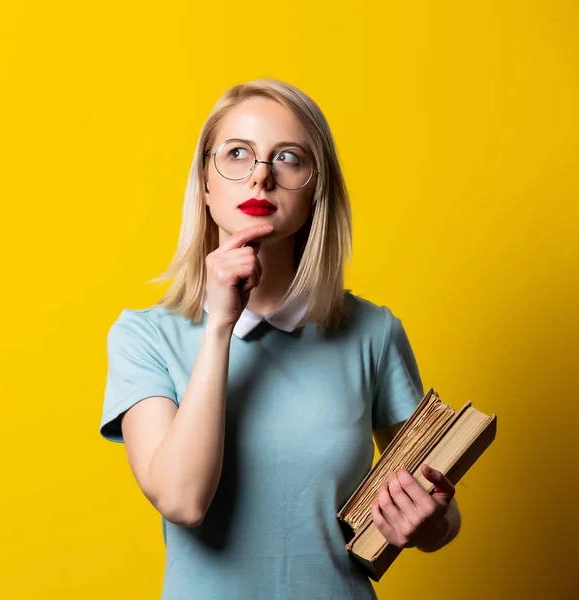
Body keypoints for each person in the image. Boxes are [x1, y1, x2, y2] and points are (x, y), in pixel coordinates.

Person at [99, 78, 461, 599]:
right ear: (205, 181)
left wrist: (429, 524)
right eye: (238, 153)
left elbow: (441, 515)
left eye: (288, 157)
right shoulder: (144, 336)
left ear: (316, 189)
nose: (260, 177)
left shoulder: (373, 333)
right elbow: (182, 501)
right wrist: (221, 324)